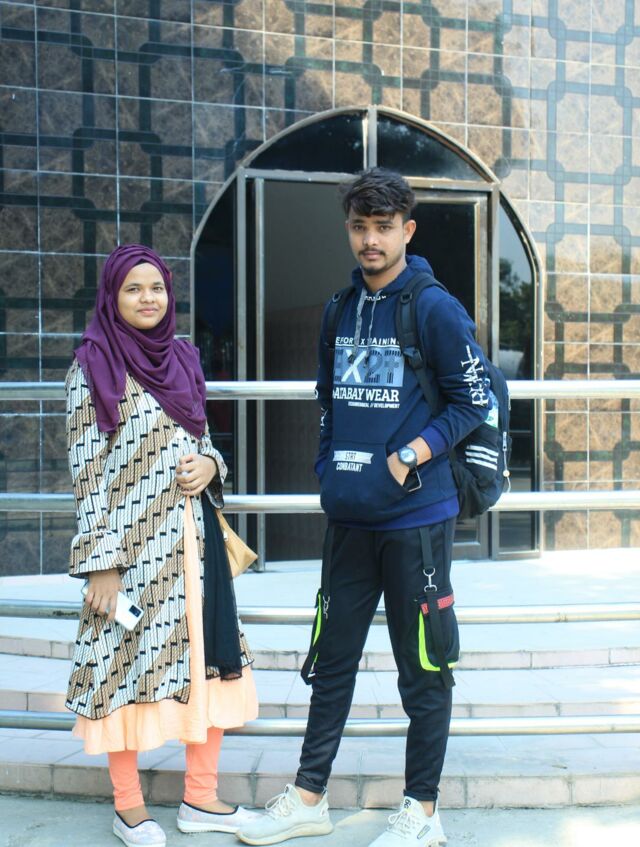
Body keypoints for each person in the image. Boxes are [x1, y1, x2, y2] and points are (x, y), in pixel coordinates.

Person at [237, 169, 491, 847]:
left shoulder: (434, 308)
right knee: (331, 661)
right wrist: (327, 468)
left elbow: (474, 401)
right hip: (348, 518)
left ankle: (422, 811)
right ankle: (308, 798)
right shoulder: (339, 309)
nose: (370, 240)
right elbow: (329, 398)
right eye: (359, 227)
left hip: (417, 520)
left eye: (383, 227)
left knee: (424, 668)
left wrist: (411, 454)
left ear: (407, 230)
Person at [65, 244, 259, 847]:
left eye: (157, 288)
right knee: (119, 667)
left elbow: (203, 439)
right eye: (133, 288)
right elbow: (86, 474)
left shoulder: (183, 358)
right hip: (130, 553)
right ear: (112, 296)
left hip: (192, 545)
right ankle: (129, 807)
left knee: (211, 663)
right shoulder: (92, 366)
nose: (148, 298)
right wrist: (100, 565)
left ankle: (201, 797)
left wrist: (212, 465)